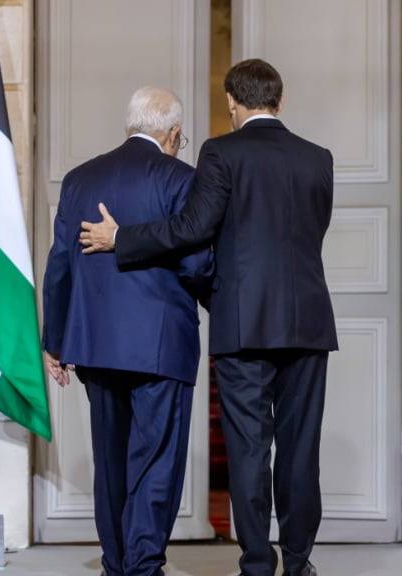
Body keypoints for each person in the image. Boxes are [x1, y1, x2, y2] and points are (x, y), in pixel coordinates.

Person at [79, 59, 336, 576]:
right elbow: (316, 229)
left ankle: (257, 564)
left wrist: (121, 237)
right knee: (300, 450)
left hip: (242, 324)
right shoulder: (318, 157)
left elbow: (193, 228)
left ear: (232, 103)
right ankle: (300, 561)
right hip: (308, 321)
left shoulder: (220, 152)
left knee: (249, 451)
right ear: (280, 101)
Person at [42, 86, 212, 576]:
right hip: (161, 344)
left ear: (130, 125)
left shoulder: (80, 179)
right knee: (155, 461)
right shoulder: (182, 179)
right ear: (174, 133)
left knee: (111, 461)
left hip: (94, 344)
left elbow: (60, 264)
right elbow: (196, 263)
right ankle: (143, 565)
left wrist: (55, 340)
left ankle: (116, 564)